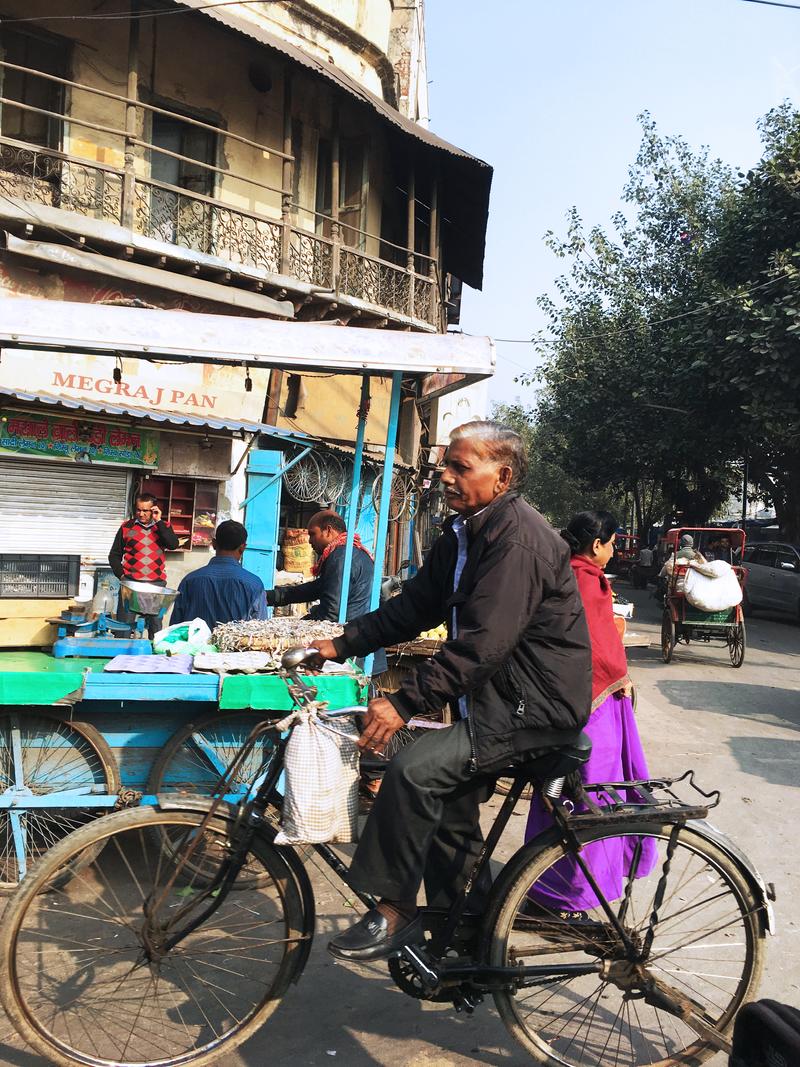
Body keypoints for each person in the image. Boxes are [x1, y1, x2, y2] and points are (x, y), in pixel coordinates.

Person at [310, 420, 592, 963]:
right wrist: (340, 644)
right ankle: (470, 939)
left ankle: (394, 906)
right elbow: (415, 606)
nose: (444, 475)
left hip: (531, 707)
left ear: (501, 475)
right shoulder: (466, 531)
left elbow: (484, 644)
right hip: (493, 701)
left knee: (414, 767)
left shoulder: (519, 541)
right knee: (448, 818)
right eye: (446, 464)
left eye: (460, 467)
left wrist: (404, 700)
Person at [524, 510, 656, 918]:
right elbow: (591, 651)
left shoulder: (578, 574)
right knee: (590, 797)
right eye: (613, 542)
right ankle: (565, 898)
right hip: (589, 707)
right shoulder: (582, 580)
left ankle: (549, 887)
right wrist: (617, 677)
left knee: (573, 793)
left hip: (592, 703)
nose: (615, 551)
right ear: (596, 544)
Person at [170, 520, 268, 631]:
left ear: (214, 544)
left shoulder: (189, 580)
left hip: (196, 648)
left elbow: (175, 629)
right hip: (237, 648)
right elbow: (261, 631)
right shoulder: (254, 584)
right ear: (242, 548)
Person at [109, 493, 178, 637]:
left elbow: (173, 544)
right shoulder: (126, 527)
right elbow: (114, 555)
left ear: (153, 510)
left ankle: (154, 657)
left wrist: (158, 521)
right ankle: (121, 656)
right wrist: (122, 575)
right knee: (124, 627)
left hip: (156, 585)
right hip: (131, 585)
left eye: (145, 510)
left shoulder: (163, 526)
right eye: (138, 510)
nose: (141, 514)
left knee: (156, 628)